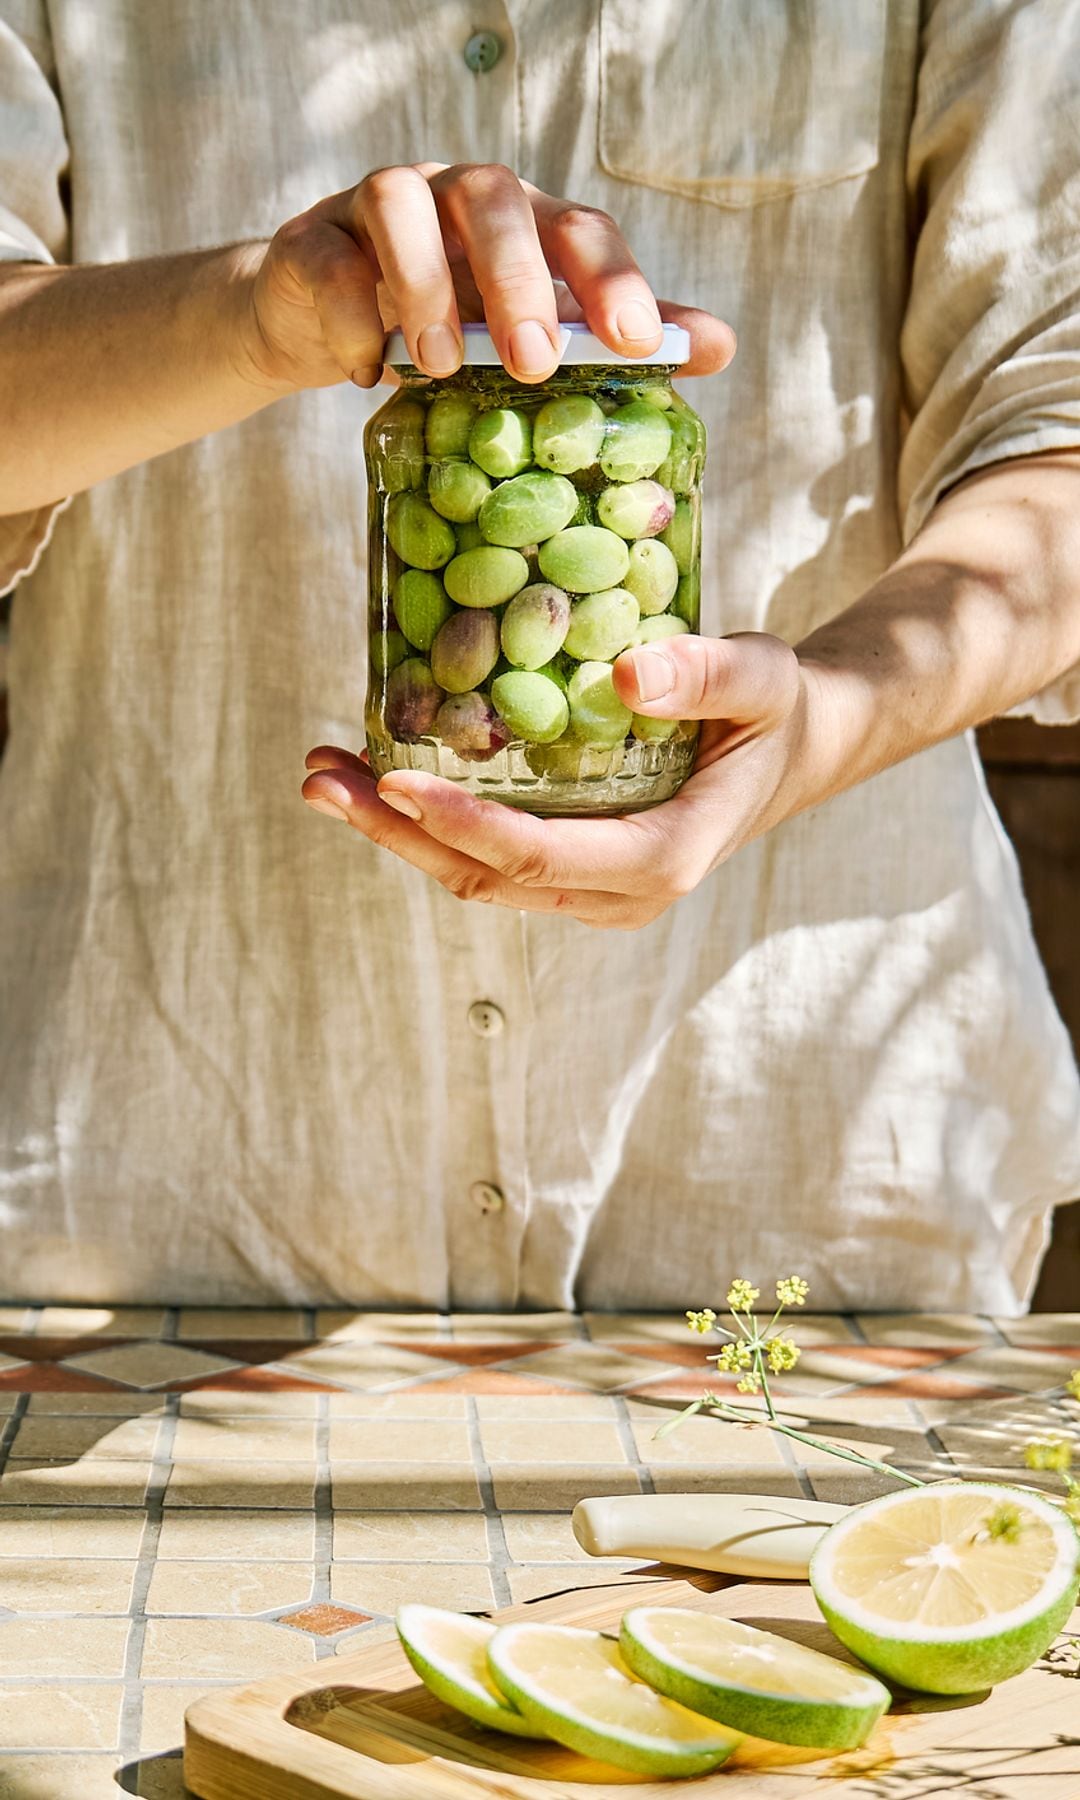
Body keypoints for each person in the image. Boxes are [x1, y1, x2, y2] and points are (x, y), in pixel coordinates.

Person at [1, 2, 1078, 1314]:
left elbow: (1061, 429)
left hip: (807, 1180)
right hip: (169, 1184)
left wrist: (824, 719)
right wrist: (251, 320)